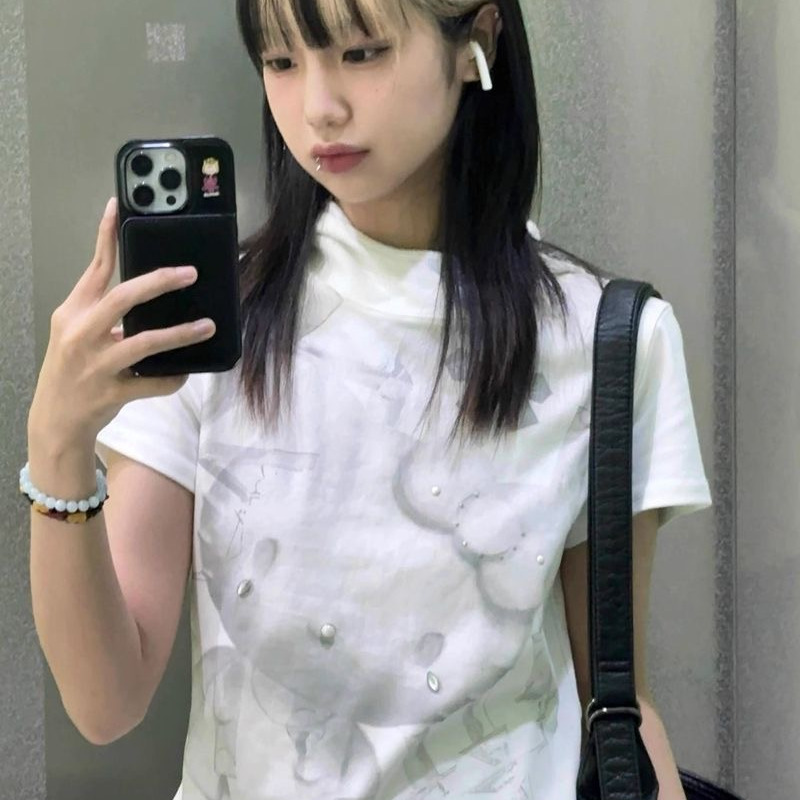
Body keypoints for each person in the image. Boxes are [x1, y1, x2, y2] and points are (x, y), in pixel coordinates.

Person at [24, 1, 712, 798]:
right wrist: (58, 444)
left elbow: (619, 702)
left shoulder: (607, 340)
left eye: (361, 52)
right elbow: (106, 703)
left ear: (478, 40)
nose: (319, 107)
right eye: (281, 61)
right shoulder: (209, 326)